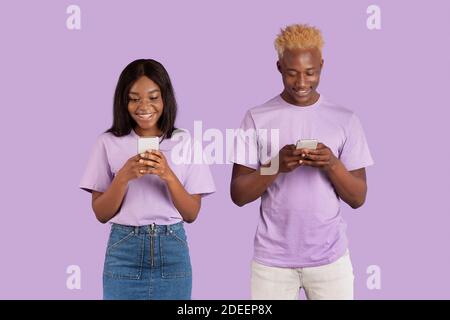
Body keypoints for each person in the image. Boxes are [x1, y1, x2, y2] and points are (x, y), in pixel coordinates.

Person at [230, 24, 374, 300]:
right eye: (292, 73)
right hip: (271, 264)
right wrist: (276, 166)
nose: (302, 82)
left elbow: (358, 198)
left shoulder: (345, 119)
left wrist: (331, 163)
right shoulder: (257, 117)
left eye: (311, 72)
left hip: (331, 261)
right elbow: (238, 194)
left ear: (322, 65)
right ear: (279, 67)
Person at [79, 59, 215, 300]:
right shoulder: (108, 142)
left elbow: (192, 214)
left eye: (153, 97)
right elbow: (101, 214)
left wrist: (168, 175)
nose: (144, 106)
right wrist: (123, 177)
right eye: (134, 98)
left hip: (172, 249)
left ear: (165, 99)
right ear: (124, 101)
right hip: (124, 250)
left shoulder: (184, 141)